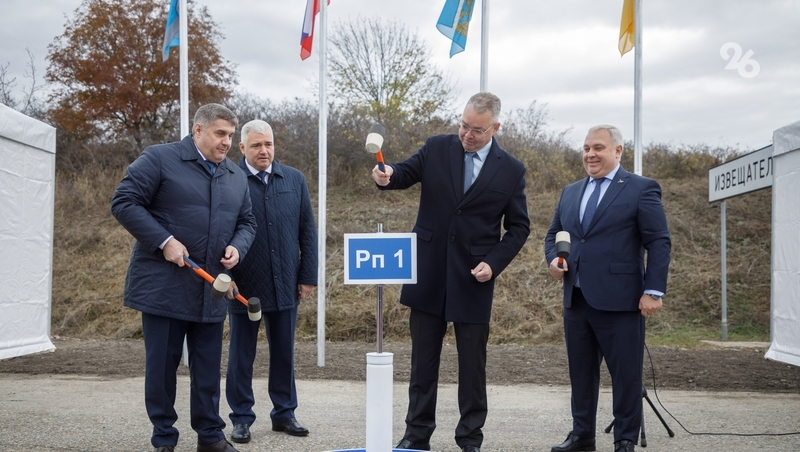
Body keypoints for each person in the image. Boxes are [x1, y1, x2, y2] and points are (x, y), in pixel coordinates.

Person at [372, 92, 530, 452]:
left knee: (472, 369)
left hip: (474, 278)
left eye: (476, 130)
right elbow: (403, 172)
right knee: (422, 365)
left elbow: (519, 227)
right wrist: (387, 174)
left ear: (495, 128)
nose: (466, 135)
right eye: (463, 125)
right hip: (428, 272)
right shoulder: (437, 147)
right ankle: (416, 435)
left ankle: (470, 438)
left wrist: (494, 262)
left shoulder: (511, 169)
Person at [111, 103, 256, 452]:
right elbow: (124, 201)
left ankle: (210, 436)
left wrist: (237, 248)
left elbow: (247, 222)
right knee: (162, 368)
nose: (226, 142)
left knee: (207, 369)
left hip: (211, 288)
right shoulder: (160, 158)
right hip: (164, 287)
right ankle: (164, 438)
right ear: (198, 130)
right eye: (220, 133)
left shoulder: (236, 176)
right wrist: (164, 241)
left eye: (230, 135)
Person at [544, 125, 671, 452]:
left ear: (617, 151)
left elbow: (659, 242)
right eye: (586, 148)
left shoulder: (641, 188)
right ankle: (582, 435)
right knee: (581, 375)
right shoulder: (570, 192)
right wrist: (554, 260)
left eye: (598, 147)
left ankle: (624, 439)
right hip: (576, 299)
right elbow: (555, 234)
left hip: (622, 301)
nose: (590, 154)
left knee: (626, 376)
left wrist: (653, 291)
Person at [225, 120, 318, 443]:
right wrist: (227, 278)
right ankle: (241, 418)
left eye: (268, 144)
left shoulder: (294, 179)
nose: (264, 151)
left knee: (284, 353)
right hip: (244, 286)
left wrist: (308, 276)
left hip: (286, 283)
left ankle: (284, 413)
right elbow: (220, 233)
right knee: (241, 356)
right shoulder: (229, 179)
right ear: (242, 148)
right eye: (256, 145)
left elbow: (307, 230)